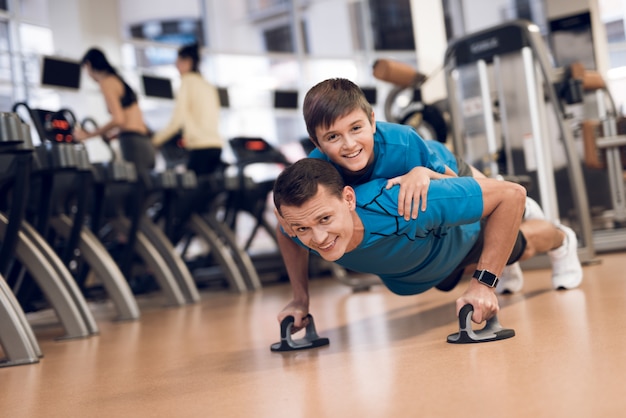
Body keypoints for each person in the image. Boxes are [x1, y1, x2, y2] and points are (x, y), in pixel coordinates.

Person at [276, 78, 568, 301]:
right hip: (421, 232)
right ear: (316, 143)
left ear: (373, 121)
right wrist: (300, 298)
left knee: (485, 207)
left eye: (356, 129)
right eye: (333, 137)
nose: (349, 145)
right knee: (454, 260)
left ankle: (525, 209)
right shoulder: (317, 172)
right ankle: (505, 250)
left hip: (443, 167)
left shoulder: (401, 143)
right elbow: (290, 221)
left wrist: (422, 172)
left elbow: (454, 183)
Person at [273, 158, 582, 330]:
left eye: (325, 220)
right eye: (302, 228)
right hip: (428, 265)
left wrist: (485, 284)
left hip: (464, 239)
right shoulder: (298, 223)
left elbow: (511, 193)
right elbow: (284, 233)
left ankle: (561, 238)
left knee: (522, 245)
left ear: (349, 199)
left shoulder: (399, 202)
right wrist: (300, 298)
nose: (318, 238)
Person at [74, 47, 155, 173]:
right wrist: (112, 135)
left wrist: (89, 135)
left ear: (88, 65)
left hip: (133, 143)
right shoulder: (117, 80)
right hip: (145, 142)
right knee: (147, 188)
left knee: (138, 188)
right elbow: (129, 119)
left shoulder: (106, 82)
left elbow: (119, 119)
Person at [151, 43, 224, 176]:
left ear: (188, 62)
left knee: (193, 192)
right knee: (209, 191)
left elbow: (177, 119)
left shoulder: (187, 82)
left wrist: (155, 140)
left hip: (200, 147)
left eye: (178, 62)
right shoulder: (207, 85)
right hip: (216, 145)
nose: (176, 66)